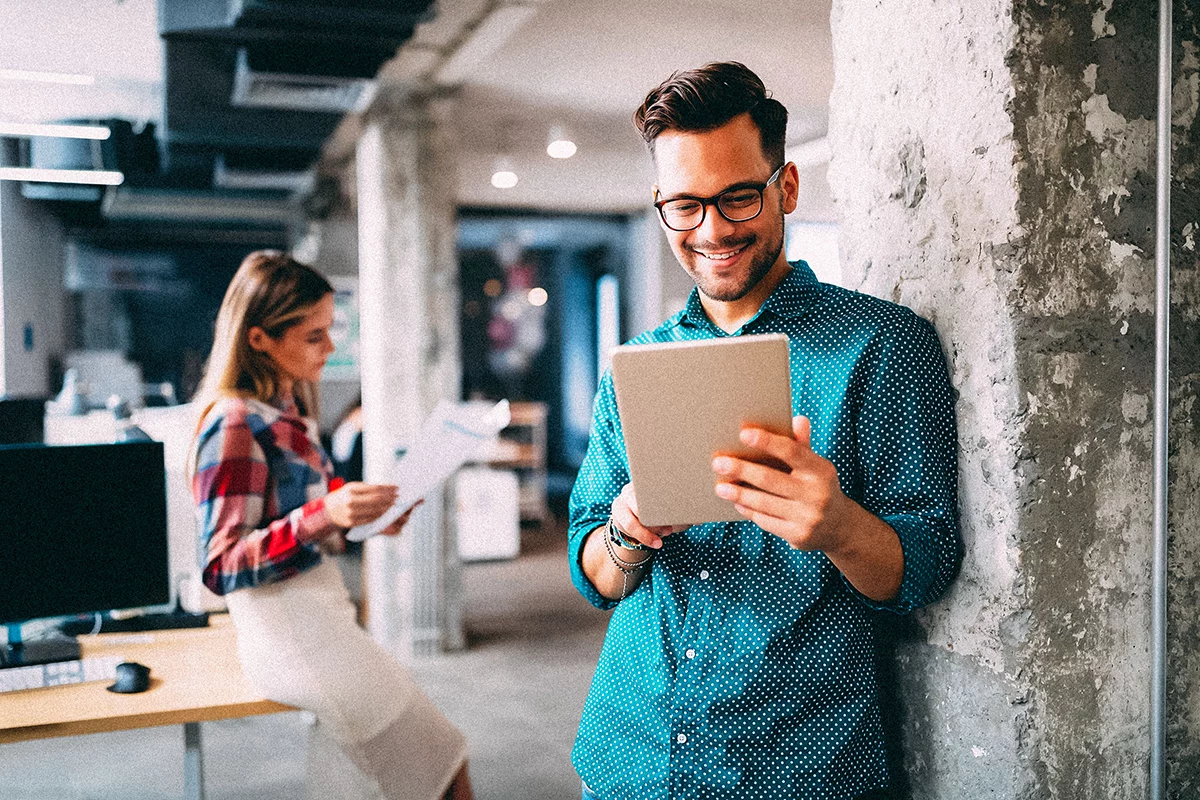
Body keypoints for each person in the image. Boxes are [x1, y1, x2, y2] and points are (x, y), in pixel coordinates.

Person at [568, 62, 961, 799]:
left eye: (737, 197)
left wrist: (840, 526)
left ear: (785, 187)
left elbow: (927, 565)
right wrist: (626, 530)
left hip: (794, 765)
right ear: (660, 206)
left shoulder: (881, 346)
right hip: (630, 753)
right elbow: (592, 569)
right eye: (684, 205)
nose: (711, 230)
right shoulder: (638, 364)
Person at [189, 251, 473, 800]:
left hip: (321, 618)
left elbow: (296, 527)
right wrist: (324, 515)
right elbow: (220, 564)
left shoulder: (288, 411)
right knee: (445, 764)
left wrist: (360, 523)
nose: (331, 347)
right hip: (291, 633)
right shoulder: (234, 423)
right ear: (259, 340)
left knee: (353, 784)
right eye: (314, 336)